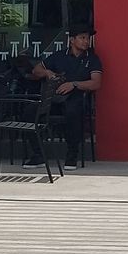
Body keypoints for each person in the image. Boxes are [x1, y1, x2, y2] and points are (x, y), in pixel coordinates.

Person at [32, 25, 102, 166]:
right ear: (72, 40)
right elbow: (36, 70)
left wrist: (74, 84)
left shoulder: (92, 59)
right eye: (82, 38)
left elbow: (96, 83)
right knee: (30, 112)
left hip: (76, 98)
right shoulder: (59, 56)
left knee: (72, 112)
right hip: (54, 98)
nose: (86, 41)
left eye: (88, 38)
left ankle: (72, 154)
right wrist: (47, 73)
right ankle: (38, 154)